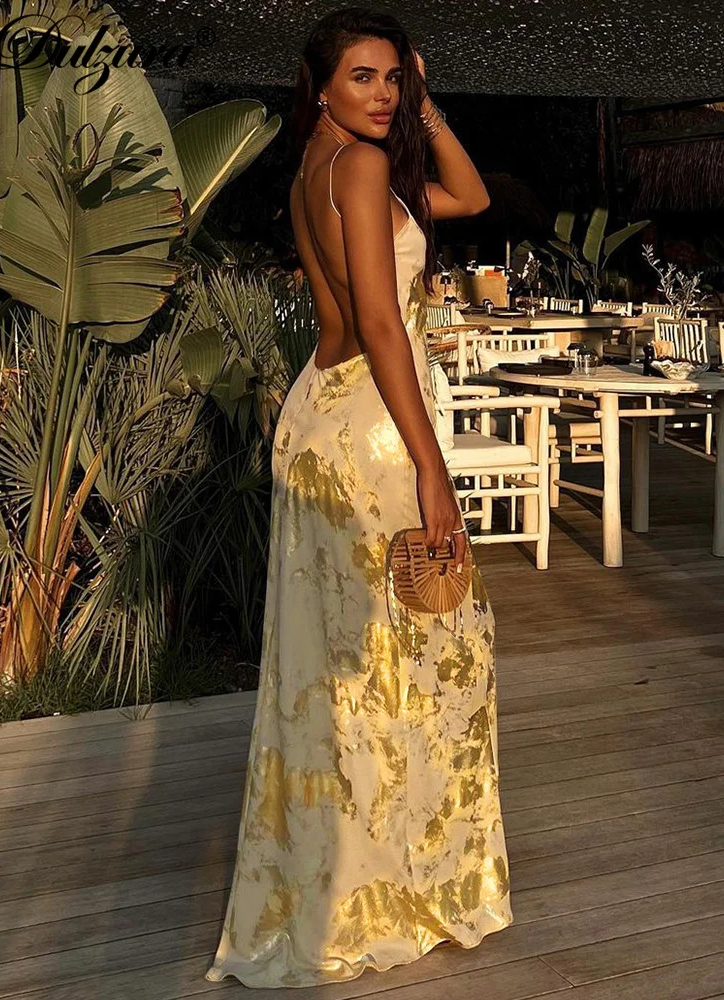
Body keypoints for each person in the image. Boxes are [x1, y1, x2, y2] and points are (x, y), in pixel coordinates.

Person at [205, 6, 513, 989]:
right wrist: (432, 468)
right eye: (363, 78)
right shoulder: (364, 167)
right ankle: (395, 889)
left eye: (394, 78)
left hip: (318, 418)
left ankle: (347, 882)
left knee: (339, 667)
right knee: (419, 653)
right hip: (374, 427)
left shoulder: (320, 166)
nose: (383, 95)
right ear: (322, 85)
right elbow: (383, 324)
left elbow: (468, 195)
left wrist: (425, 110)